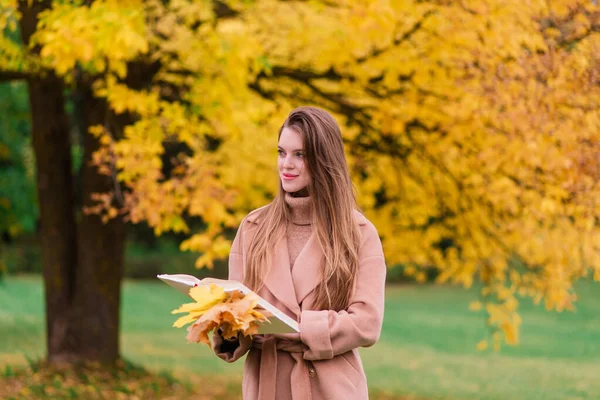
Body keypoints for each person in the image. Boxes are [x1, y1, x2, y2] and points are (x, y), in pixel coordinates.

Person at [211, 106, 386, 399]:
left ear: (324, 160)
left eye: (299, 155)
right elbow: (239, 307)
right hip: (267, 383)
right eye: (281, 152)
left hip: (331, 388)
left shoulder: (358, 232)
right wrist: (225, 326)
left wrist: (301, 328)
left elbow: (366, 322)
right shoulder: (254, 228)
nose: (286, 164)